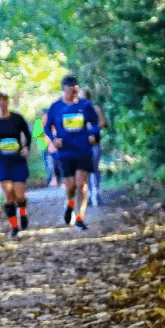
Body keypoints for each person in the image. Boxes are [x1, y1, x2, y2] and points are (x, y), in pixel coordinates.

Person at [45, 75, 100, 230]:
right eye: (71, 92)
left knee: (81, 184)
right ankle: (69, 205)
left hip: (83, 150)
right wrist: (53, 139)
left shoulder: (86, 105)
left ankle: (80, 218)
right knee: (70, 186)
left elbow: (95, 123)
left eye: (76, 91)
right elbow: (47, 127)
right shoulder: (55, 107)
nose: (74, 94)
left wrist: (93, 134)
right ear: (64, 90)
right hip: (64, 152)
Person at [0, 91, 32, 238]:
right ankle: (14, 227)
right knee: (8, 196)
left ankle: (23, 214)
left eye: (4, 99)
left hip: (17, 160)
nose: (1, 102)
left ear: (8, 101)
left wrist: (26, 147)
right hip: (2, 161)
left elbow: (27, 135)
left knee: (19, 195)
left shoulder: (17, 118)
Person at [80, 86, 109, 207]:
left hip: (95, 143)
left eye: (83, 97)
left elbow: (104, 123)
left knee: (94, 168)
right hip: (81, 145)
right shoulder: (76, 110)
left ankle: (95, 193)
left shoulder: (96, 109)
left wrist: (93, 128)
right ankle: (89, 195)